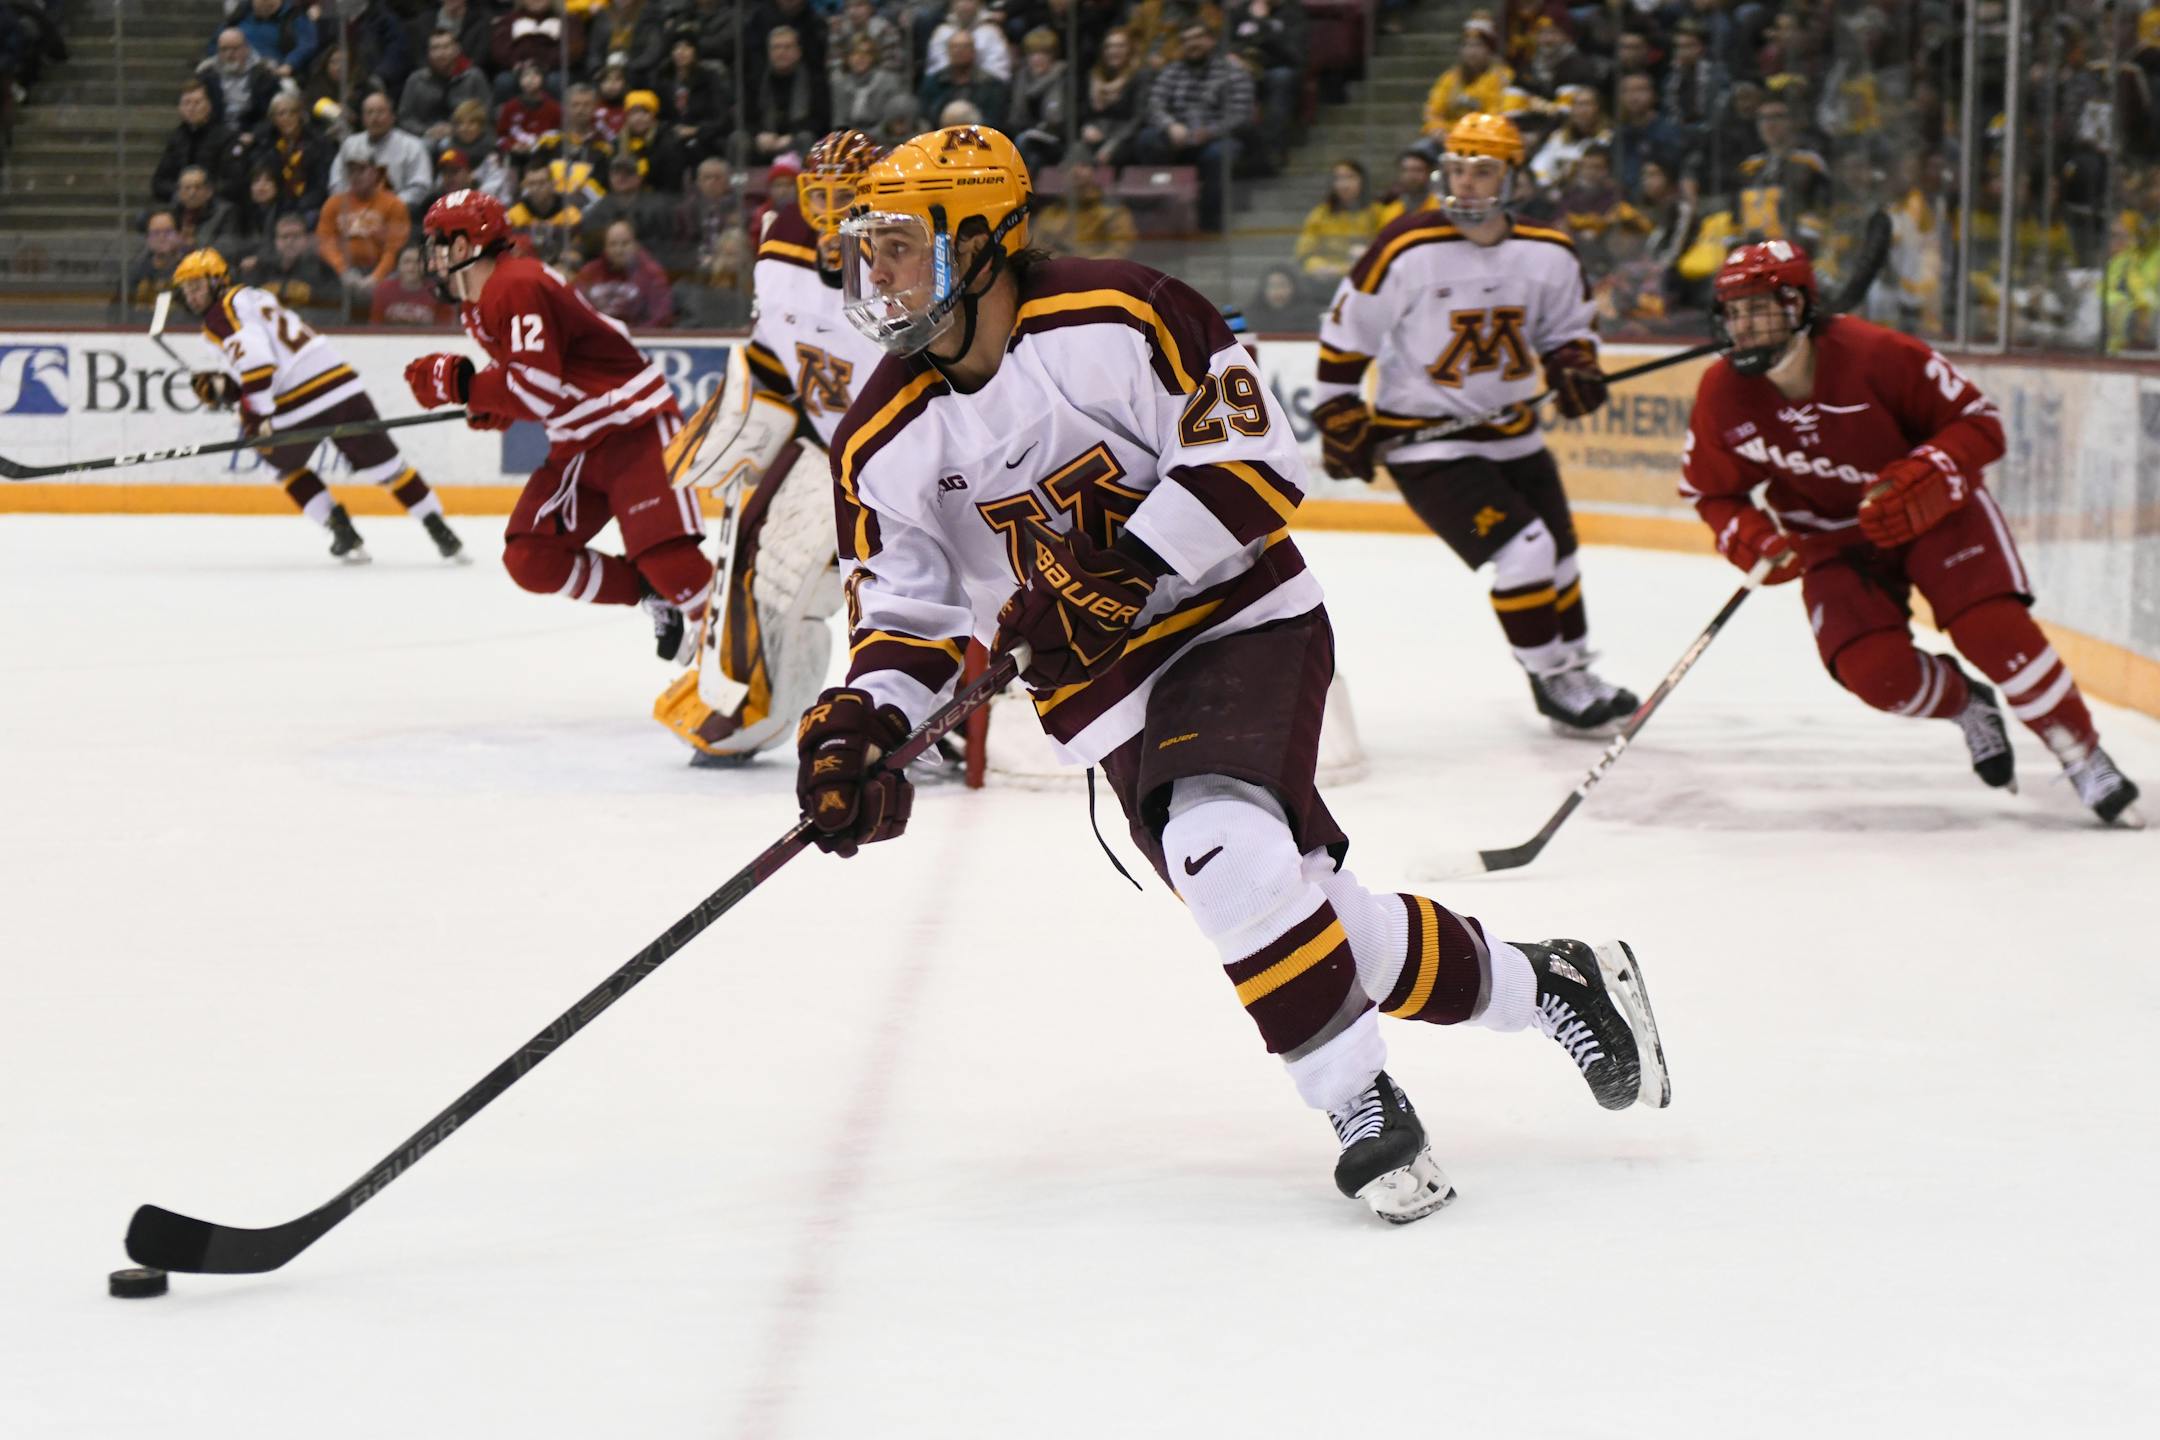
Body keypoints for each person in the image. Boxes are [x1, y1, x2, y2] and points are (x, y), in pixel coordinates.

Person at [814, 125, 1670, 1223]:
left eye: (896, 244)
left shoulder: (1124, 314)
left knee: (1218, 842)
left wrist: (1131, 565)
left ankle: (1363, 1108)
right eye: (865, 248)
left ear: (978, 240)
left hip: (1237, 616)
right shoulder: (880, 437)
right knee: (1305, 909)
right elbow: (908, 622)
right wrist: (857, 729)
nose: (871, 271)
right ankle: (1550, 984)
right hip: (1098, 689)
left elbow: (1256, 460)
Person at [1683, 241, 2144, 827]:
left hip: (1932, 517)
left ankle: (2081, 753)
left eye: (1757, 309)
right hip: (1833, 541)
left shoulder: (1877, 355)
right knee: (1878, 675)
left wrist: (1921, 476)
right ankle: (1968, 706)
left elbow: (1980, 423)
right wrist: (1752, 540)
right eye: (1733, 312)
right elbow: (1710, 491)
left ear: (1797, 305)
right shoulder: (1722, 394)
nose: (1742, 327)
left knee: (1995, 633)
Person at [1312, 113, 1638, 736]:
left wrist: (1574, 364)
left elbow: (1567, 328)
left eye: (1483, 169)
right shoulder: (1405, 247)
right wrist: (1337, 408)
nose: (1466, 183)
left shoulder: (1547, 251)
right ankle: (1552, 680)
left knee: (1562, 558)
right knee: (1527, 551)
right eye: (1457, 168)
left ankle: (1576, 668)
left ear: (1512, 176)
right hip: (1425, 441)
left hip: (1514, 432)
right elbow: (1348, 332)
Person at [654, 130, 888, 765]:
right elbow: (773, 349)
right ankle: (752, 713)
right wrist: (749, 408)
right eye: (821, 193)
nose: (830, 208)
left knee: (909, 591)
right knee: (773, 577)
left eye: (849, 194)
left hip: (903, 453)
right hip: (822, 443)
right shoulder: (780, 240)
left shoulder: (908, 257)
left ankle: (946, 718)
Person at [409, 189, 710, 663]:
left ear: (467, 246)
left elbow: (537, 390)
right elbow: (536, 375)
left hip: (632, 427)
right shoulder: (476, 304)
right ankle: (650, 592)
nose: (432, 257)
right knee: (530, 557)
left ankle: (740, 656)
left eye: (439, 244)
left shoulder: (515, 285)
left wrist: (465, 386)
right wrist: (493, 397)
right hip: (578, 445)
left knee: (671, 562)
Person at [173, 247, 466, 564]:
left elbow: (258, 364)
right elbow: (261, 363)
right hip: (343, 387)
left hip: (297, 402)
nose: (191, 296)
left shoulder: (221, 313)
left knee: (283, 465)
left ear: (217, 282)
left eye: (197, 286)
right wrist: (221, 387)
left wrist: (257, 416)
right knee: (389, 468)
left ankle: (341, 531)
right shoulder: (254, 298)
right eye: (187, 289)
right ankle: (440, 529)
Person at [1134, 22, 1254, 232]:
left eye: (1197, 37)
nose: (1191, 44)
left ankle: (1210, 224)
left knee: (1219, 155)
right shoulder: (1172, 70)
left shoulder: (1233, 72)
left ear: (1211, 40)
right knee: (1147, 139)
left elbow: (1240, 115)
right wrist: (1170, 125)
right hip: (1177, 137)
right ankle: (1162, 211)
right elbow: (1154, 105)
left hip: (1216, 138)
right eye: (1186, 40)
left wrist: (1210, 132)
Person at [316, 158, 409, 298]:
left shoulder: (394, 204)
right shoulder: (333, 204)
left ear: (375, 173)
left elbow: (393, 249)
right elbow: (325, 242)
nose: (356, 176)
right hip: (341, 272)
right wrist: (343, 270)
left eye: (361, 170)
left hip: (383, 271)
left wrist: (376, 277)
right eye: (351, 172)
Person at [329, 92, 435, 212]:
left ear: (392, 116)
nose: (375, 118)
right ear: (363, 119)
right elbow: (337, 182)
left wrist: (387, 206)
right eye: (369, 112)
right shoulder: (349, 145)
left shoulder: (412, 146)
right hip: (353, 212)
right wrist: (355, 205)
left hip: (397, 214)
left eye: (380, 112)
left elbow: (420, 186)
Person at [1294, 159, 1384, 289]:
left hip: (1364, 281)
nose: (1344, 185)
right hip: (1326, 281)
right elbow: (1304, 253)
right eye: (1339, 179)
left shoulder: (1377, 212)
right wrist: (1316, 265)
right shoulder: (1320, 214)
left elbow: (1385, 250)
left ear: (1363, 181)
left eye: (1350, 177)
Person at [574, 219, 676, 328]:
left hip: (637, 339)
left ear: (636, 244)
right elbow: (575, 310)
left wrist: (637, 335)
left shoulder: (652, 274)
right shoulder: (589, 272)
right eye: (613, 244)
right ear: (605, 248)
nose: (619, 250)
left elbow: (661, 316)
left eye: (625, 243)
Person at [152, 80, 239, 204]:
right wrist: (183, 192)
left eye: (197, 103)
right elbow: (159, 182)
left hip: (215, 205)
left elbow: (232, 182)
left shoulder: (226, 137)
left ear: (209, 106)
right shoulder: (177, 138)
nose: (191, 108)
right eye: (186, 103)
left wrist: (202, 193)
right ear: (180, 108)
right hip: (181, 204)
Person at [397, 30, 490, 144]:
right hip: (425, 136)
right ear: (428, 52)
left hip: (465, 137)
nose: (441, 53)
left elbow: (486, 113)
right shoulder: (416, 80)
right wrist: (427, 131)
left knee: (446, 145)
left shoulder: (474, 76)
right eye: (435, 48)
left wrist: (457, 129)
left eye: (446, 47)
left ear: (457, 49)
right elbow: (405, 118)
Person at [1031, 162, 1137, 260]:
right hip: (1057, 273)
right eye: (1070, 165)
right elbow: (1036, 249)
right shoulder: (1049, 213)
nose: (1076, 170)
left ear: (1094, 173)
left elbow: (1118, 252)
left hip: (1098, 275)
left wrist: (1081, 267)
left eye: (1083, 165)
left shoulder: (1115, 213)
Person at [371, 246, 455, 325]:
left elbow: (445, 330)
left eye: (417, 262)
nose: (411, 267)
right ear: (398, 266)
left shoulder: (439, 292)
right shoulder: (384, 290)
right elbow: (375, 326)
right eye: (406, 262)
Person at [126, 210, 186, 308]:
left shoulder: (190, 270)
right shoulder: (135, 272)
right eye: (155, 233)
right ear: (147, 238)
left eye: (168, 232)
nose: (162, 237)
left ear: (179, 235)